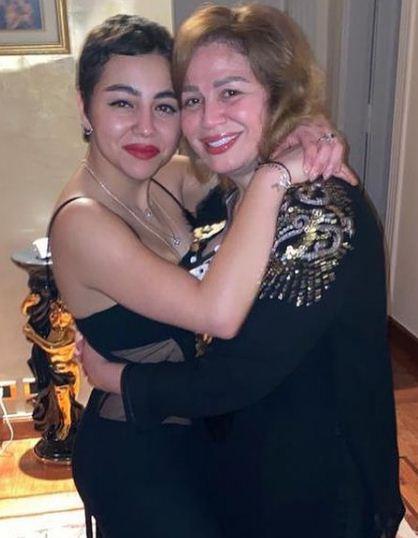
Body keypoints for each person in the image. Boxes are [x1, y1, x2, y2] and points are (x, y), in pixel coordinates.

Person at [81, 5, 404, 538]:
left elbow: (236, 376)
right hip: (240, 464)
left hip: (314, 490)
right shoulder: (228, 195)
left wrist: (118, 378)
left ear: (278, 94)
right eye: (192, 100)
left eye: (230, 92)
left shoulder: (319, 214)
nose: (209, 120)